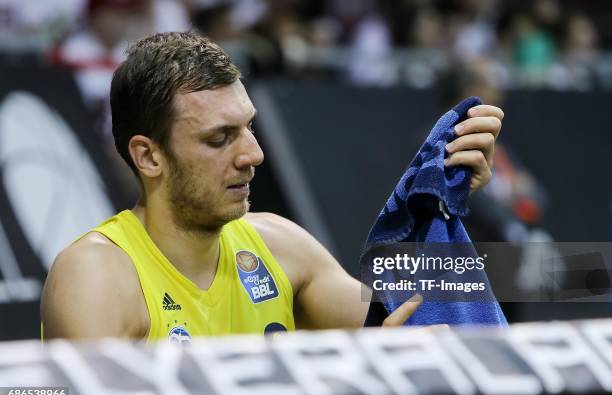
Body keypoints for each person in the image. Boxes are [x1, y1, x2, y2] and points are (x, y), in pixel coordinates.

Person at [40, 32, 504, 341]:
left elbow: (402, 317)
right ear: (148, 156)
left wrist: (438, 208)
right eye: (219, 139)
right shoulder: (96, 276)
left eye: (248, 128)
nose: (252, 155)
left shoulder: (281, 246)